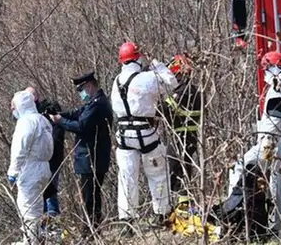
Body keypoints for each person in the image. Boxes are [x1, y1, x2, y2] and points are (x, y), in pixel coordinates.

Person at [110, 41, 179, 232]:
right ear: (138, 58)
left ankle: (127, 220)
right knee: (157, 174)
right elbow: (171, 82)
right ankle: (162, 212)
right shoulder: (147, 78)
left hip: (123, 135)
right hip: (146, 133)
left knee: (126, 178)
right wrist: (157, 64)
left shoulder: (116, 82)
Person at [50, 71, 113, 237]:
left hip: (92, 158)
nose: (81, 93)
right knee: (89, 196)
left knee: (90, 197)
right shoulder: (92, 103)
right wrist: (59, 115)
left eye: (81, 89)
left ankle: (91, 231)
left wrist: (59, 122)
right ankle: (91, 229)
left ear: (90, 85)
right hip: (89, 158)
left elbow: (81, 126)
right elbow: (77, 113)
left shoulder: (98, 104)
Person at [227, 51, 281, 196]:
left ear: (274, 67)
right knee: (275, 178)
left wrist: (267, 145)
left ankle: (231, 203)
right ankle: (273, 213)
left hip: (268, 144)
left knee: (238, 166)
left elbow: (276, 120)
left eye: (266, 67)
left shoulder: (278, 90)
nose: (264, 72)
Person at [7, 90, 54, 245]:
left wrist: (13, 171)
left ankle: (30, 240)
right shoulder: (43, 120)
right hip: (44, 168)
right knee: (37, 206)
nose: (12, 110)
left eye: (13, 106)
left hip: (31, 169)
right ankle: (35, 238)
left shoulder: (26, 122)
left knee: (28, 208)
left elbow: (20, 148)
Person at [25, 87, 65, 225]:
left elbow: (57, 133)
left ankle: (52, 220)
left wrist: (47, 149)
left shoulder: (50, 110)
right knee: (41, 191)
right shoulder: (29, 115)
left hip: (52, 157)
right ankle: (43, 223)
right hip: (38, 160)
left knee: (50, 189)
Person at [161, 53, 201, 194]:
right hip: (188, 137)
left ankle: (181, 205)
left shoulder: (183, 92)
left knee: (177, 173)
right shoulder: (193, 90)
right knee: (183, 172)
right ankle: (182, 203)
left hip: (182, 137)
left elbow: (164, 108)